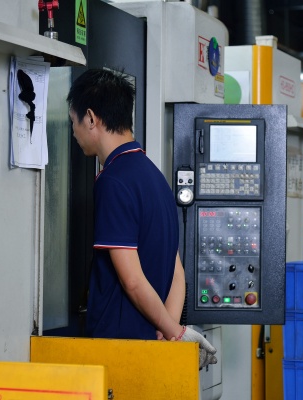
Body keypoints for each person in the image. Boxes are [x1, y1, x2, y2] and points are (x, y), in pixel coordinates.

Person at [66, 68, 216, 368]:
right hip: (150, 348)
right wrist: (167, 331)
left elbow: (132, 280)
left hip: (120, 350)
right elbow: (177, 272)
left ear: (91, 118)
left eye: (73, 122)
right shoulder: (154, 177)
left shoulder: (114, 181)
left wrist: (174, 331)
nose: (73, 132)